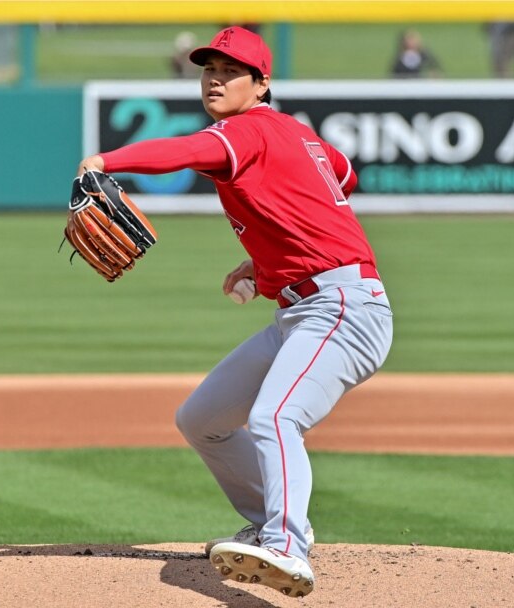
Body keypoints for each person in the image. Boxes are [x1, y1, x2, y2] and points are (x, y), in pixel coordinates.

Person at [77, 26, 393, 598]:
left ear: (261, 82)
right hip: (304, 309)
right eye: (209, 70)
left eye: (230, 71)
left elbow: (188, 149)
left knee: (276, 417)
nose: (215, 80)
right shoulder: (297, 135)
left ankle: (288, 547)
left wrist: (107, 159)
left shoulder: (245, 132)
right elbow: (342, 177)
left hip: (344, 309)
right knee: (202, 419)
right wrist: (266, 261)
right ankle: (266, 519)